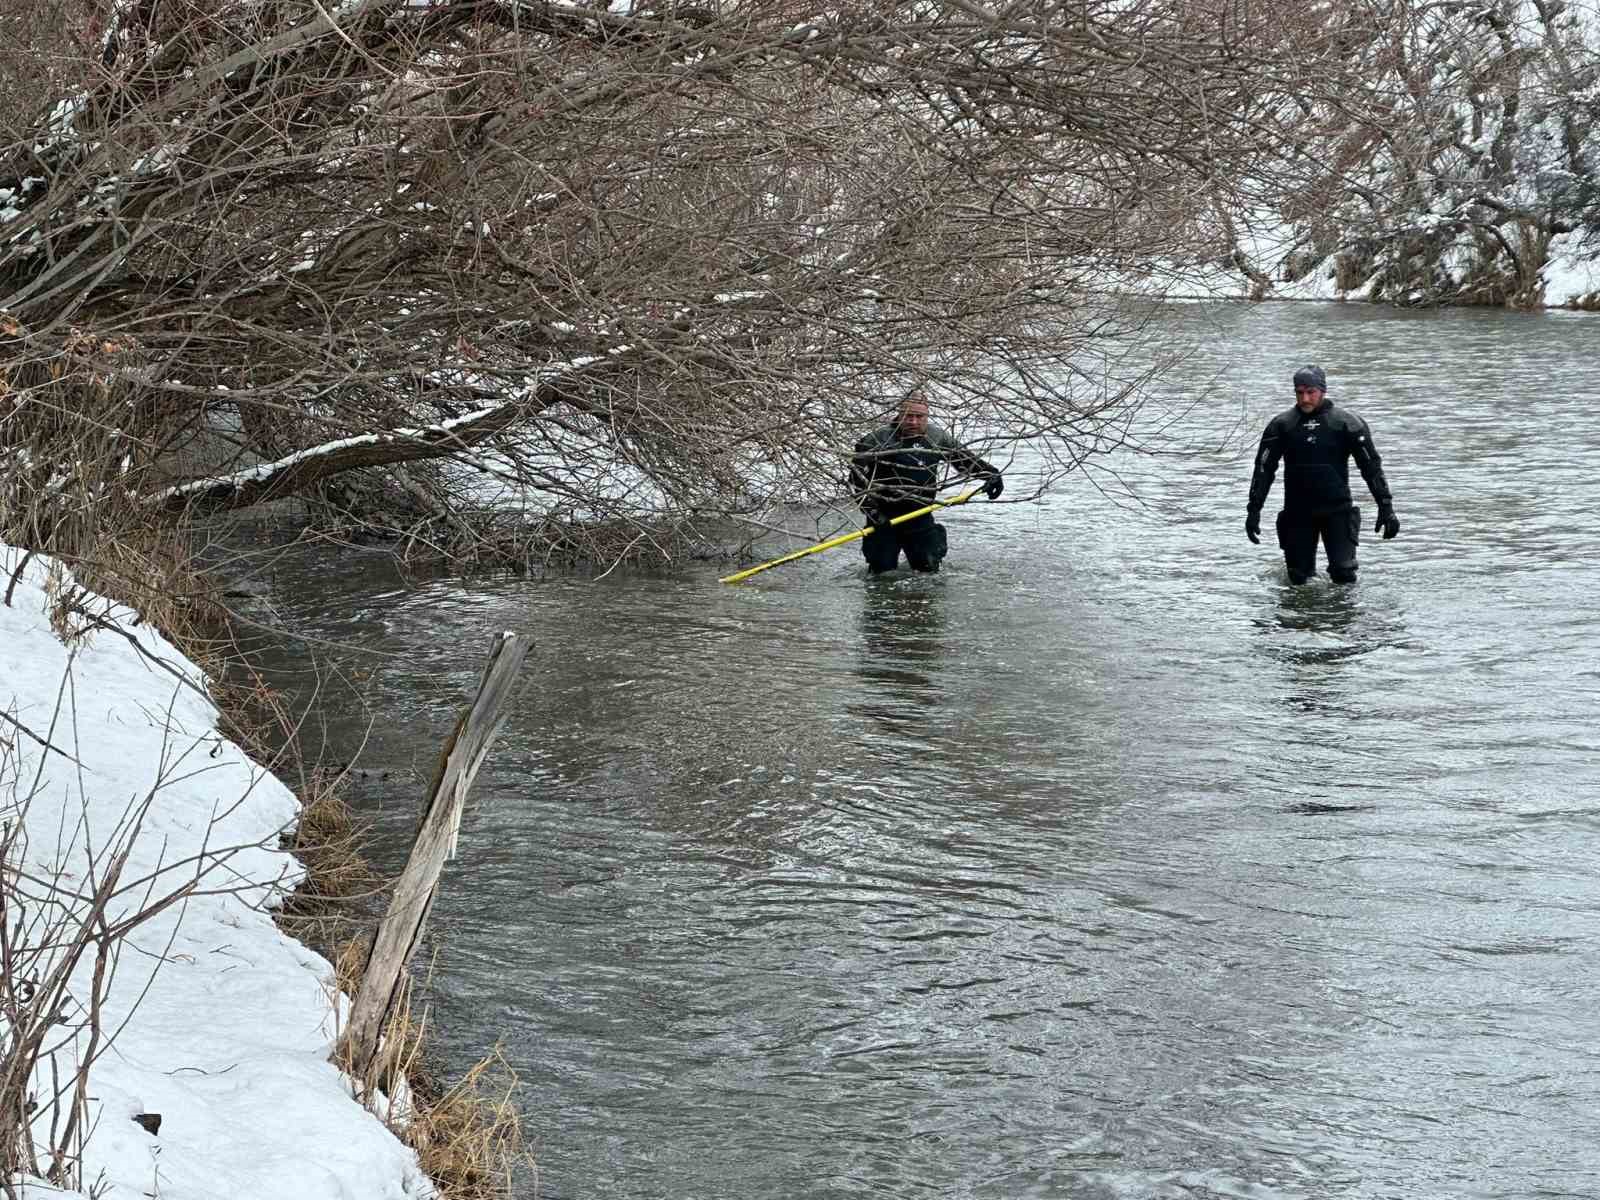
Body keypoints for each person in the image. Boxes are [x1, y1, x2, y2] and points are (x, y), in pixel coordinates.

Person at [1245, 365, 1400, 585]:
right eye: (1299, 393)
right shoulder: (1282, 425)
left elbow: (1371, 468)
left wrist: (1386, 508)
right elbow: (1263, 470)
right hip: (1298, 513)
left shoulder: (1347, 423)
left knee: (1343, 574)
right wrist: (1254, 510)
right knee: (1298, 579)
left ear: (1322, 390)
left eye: (1311, 392)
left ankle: (1343, 617)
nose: (1305, 398)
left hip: (1338, 512)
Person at [849, 390, 1003, 574]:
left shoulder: (937, 438)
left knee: (928, 571)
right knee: (881, 573)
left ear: (927, 415)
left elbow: (966, 462)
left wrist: (992, 475)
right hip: (883, 519)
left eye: (919, 416)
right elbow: (855, 480)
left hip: (920, 515)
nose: (913, 421)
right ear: (899, 414)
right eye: (908, 416)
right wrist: (872, 512)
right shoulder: (877, 440)